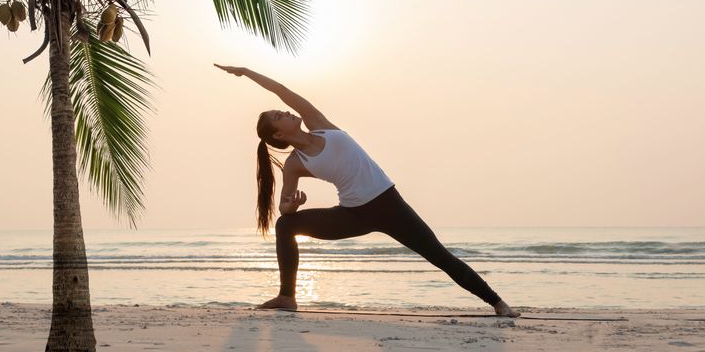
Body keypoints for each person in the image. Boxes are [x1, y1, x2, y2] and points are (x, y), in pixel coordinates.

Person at [215, 64, 520, 317]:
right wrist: (293, 207)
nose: (285, 112)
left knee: (438, 255)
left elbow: (283, 90)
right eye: (279, 116)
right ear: (279, 135)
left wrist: (246, 72)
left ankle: (498, 303)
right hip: (353, 214)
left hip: (388, 204)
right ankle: (287, 296)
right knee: (285, 225)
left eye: (281, 111)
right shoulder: (296, 163)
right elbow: (283, 208)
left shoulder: (318, 123)